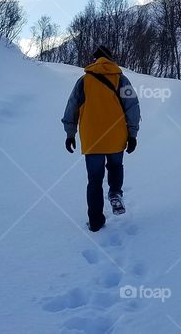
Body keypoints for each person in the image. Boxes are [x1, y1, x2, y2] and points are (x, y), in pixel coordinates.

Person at [62, 45, 141, 232]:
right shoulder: (121, 79)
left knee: (94, 180)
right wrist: (132, 134)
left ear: (95, 60)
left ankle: (96, 220)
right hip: (116, 136)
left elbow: (71, 106)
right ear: (111, 59)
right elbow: (132, 107)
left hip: (92, 139)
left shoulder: (84, 81)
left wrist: (70, 133)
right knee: (115, 166)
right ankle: (115, 193)